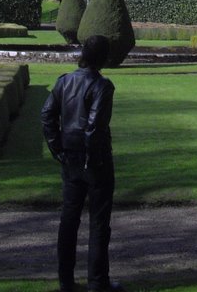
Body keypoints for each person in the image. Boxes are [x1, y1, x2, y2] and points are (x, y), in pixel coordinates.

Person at [41, 35, 123, 292]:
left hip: (71, 160)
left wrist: (58, 150)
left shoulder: (64, 81)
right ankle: (97, 283)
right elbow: (94, 127)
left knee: (69, 221)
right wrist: (92, 158)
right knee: (99, 224)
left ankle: (66, 281)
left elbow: (47, 116)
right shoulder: (102, 86)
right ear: (103, 58)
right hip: (94, 162)